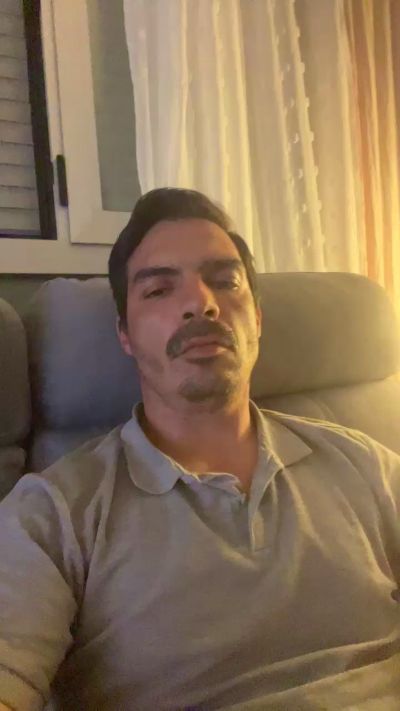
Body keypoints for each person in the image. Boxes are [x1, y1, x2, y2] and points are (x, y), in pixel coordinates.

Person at [0, 188, 399, 711]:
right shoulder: (53, 513)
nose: (200, 303)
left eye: (225, 281)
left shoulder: (367, 465)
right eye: (159, 290)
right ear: (125, 335)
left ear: (257, 318)